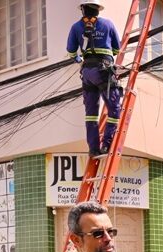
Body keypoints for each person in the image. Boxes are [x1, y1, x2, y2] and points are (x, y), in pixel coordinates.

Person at [66, 0, 123, 158]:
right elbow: (117, 49)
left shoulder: (76, 27)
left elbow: (71, 52)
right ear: (98, 9)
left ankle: (93, 148)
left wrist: (80, 61)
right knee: (114, 109)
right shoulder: (108, 24)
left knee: (91, 113)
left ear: (83, 9)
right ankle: (106, 145)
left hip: (87, 74)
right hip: (104, 71)